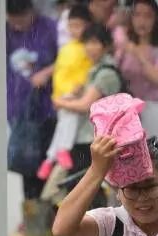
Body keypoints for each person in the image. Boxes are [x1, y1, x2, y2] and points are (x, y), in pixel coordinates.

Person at [53, 22, 124, 177]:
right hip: (89, 138)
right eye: (87, 43)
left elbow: (85, 105)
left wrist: (60, 102)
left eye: (94, 43)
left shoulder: (106, 73)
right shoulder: (95, 70)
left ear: (106, 46)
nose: (89, 48)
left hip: (93, 140)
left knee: (87, 189)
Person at [6, 0, 59, 202]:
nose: (18, 26)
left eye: (22, 20)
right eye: (13, 21)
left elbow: (67, 58)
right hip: (18, 110)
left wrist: (46, 72)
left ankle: (51, 210)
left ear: (32, 12)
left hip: (49, 108)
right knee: (27, 164)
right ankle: (32, 211)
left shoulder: (50, 28)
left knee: (50, 162)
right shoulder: (2, 33)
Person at [37, 3, 92, 180]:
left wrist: (79, 87)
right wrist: (58, 94)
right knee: (66, 125)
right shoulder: (67, 48)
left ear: (88, 25)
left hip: (74, 93)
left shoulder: (87, 48)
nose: (74, 30)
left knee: (65, 126)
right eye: (71, 26)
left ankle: (49, 159)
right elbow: (60, 71)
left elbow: (87, 70)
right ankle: (60, 151)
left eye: (78, 25)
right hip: (63, 94)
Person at [117, 0, 158, 143]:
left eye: (148, 16)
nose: (142, 21)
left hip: (152, 107)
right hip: (127, 111)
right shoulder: (123, 45)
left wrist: (139, 55)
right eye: (138, 15)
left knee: (154, 157)